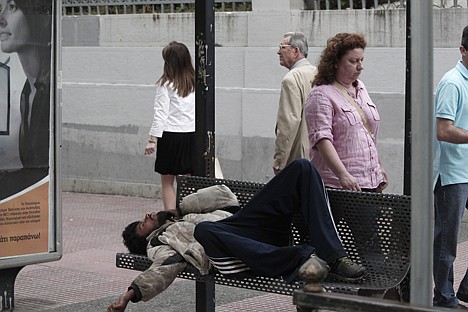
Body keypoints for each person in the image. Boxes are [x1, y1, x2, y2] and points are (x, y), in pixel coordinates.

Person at [107, 159, 365, 312]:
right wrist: (132, 294)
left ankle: (334, 257)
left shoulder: (178, 215)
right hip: (229, 254)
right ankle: (303, 258)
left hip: (243, 228)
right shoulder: (159, 243)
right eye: (143, 223)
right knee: (204, 230)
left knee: (301, 167)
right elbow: (164, 268)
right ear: (143, 238)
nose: (150, 215)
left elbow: (225, 196)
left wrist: (179, 208)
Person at [305, 33, 387, 193]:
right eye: (353, 61)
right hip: (338, 185)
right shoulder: (321, 94)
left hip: (369, 181)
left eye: (361, 60)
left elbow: (366, 134)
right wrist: (343, 175)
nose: (360, 66)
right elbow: (322, 139)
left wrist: (378, 168)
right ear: (335, 63)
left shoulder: (361, 87)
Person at [0, 0, 52, 200]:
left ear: (41, 16)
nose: (1, 19)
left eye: (12, 7)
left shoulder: (46, 90)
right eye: (0, 8)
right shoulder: (27, 92)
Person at [432, 25, 468, 309]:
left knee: (448, 240)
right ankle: (444, 297)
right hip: (452, 174)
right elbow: (443, 131)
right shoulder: (452, 82)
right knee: (447, 242)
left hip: (466, 170)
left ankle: (465, 289)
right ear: (462, 50)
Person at [144, 41, 196, 211]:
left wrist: (152, 140)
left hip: (170, 135)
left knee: (167, 183)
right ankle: (188, 215)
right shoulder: (196, 83)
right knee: (188, 182)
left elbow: (160, 113)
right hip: (191, 134)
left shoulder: (165, 85)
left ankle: (170, 218)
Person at [272, 32, 317, 175]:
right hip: (319, 155)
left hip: (299, 158)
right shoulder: (318, 73)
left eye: (282, 47)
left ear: (296, 51)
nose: (278, 51)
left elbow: (288, 124)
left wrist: (279, 162)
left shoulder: (291, 79)